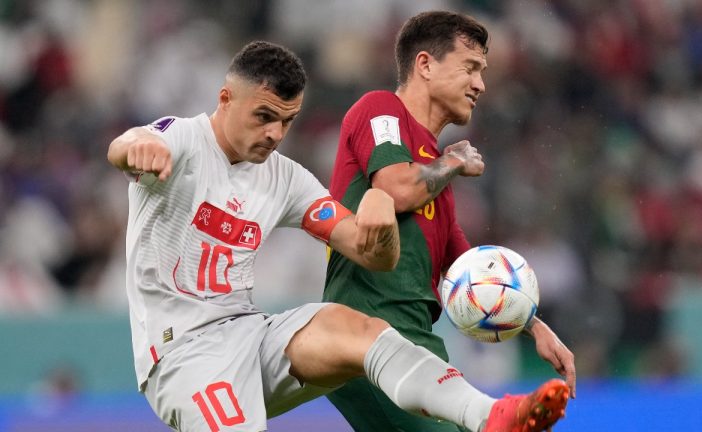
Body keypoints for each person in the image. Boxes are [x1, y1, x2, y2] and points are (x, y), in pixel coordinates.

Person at [107, 40, 568, 432]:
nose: (275, 134)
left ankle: (490, 415)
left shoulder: (284, 178)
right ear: (226, 98)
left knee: (354, 326)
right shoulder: (182, 140)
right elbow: (126, 147)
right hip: (183, 354)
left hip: (247, 331)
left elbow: (369, 251)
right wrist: (137, 150)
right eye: (264, 116)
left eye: (287, 121)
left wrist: (381, 222)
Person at [323, 11, 576, 432]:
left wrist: (535, 326)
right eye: (470, 67)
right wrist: (454, 161)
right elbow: (394, 190)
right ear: (425, 64)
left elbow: (466, 269)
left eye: (482, 72)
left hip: (414, 343)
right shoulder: (380, 109)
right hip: (366, 337)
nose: (480, 84)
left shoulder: (434, 173)